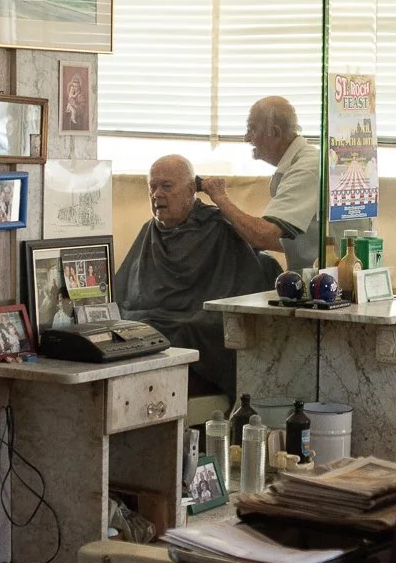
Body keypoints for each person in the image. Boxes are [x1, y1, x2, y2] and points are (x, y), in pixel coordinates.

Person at [113, 155, 280, 397]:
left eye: (167, 187)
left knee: (174, 330)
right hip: (153, 317)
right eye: (152, 187)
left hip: (200, 321)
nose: (157, 194)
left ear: (191, 189)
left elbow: (241, 292)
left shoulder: (218, 228)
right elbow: (124, 290)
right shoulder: (149, 231)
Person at [200, 96, 320, 273]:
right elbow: (299, 240)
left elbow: (263, 236)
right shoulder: (298, 164)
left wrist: (220, 198)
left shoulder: (307, 169)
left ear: (275, 132)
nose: (247, 138)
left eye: (252, 129)